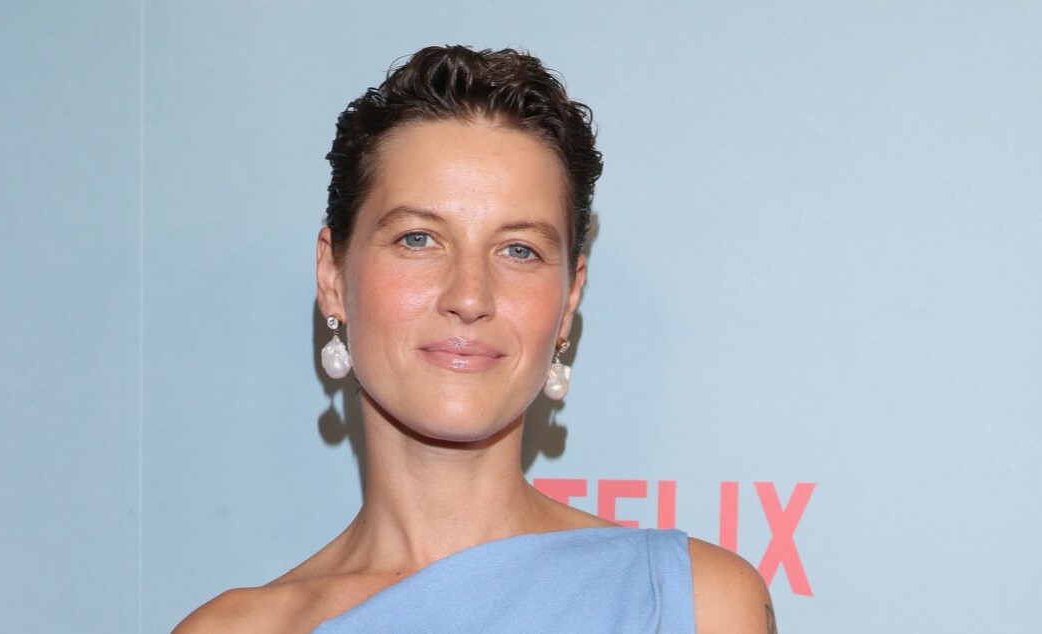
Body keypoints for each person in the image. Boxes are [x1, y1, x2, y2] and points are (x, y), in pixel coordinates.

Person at [175, 45, 775, 634]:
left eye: (519, 250)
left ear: (569, 299)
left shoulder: (691, 603)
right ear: (333, 277)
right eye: (418, 239)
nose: (469, 296)